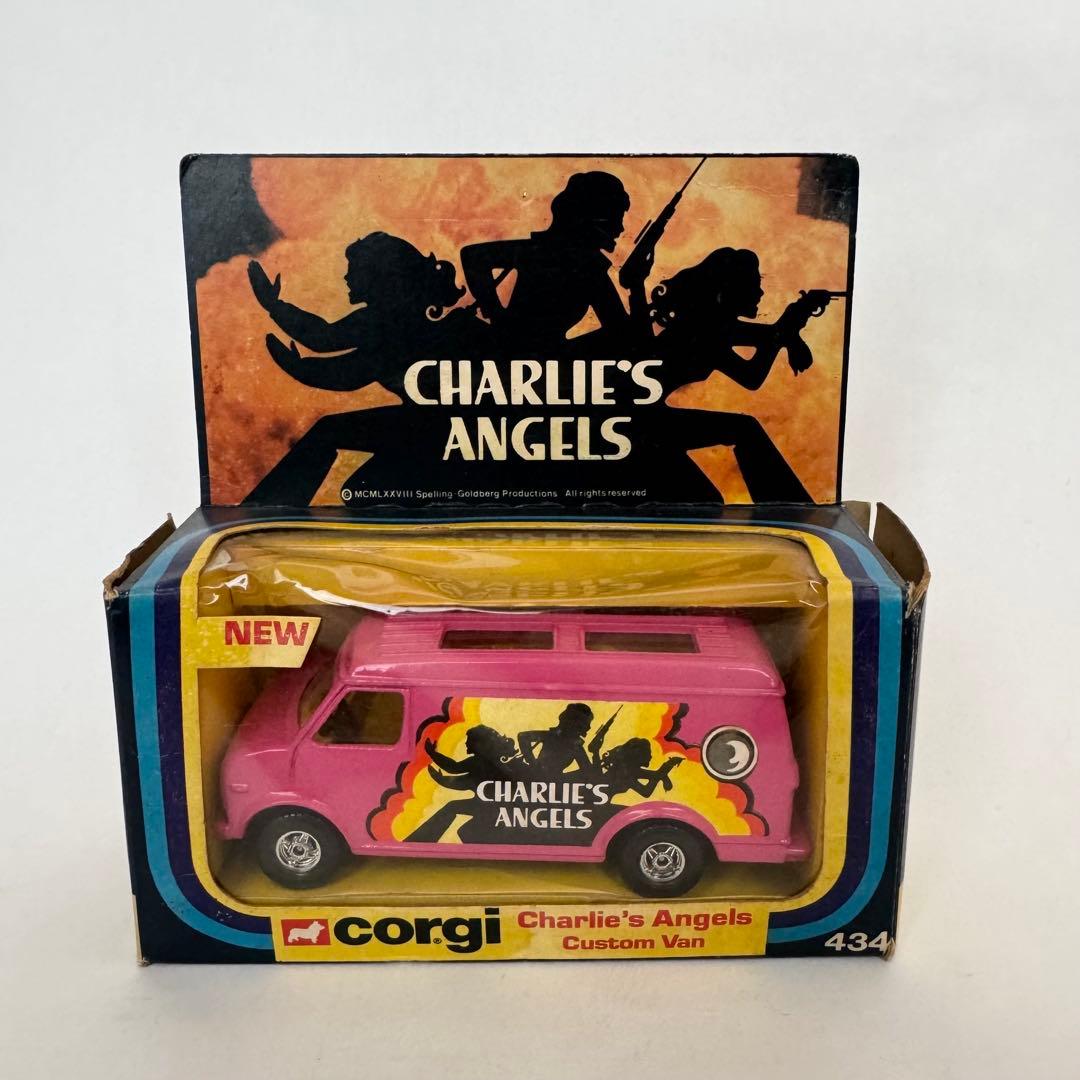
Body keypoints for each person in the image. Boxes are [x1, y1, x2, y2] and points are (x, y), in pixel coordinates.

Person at [244, 232, 486, 505]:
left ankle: (266, 509)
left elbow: (337, 360)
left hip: (441, 437)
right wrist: (276, 311)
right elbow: (325, 339)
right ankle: (267, 509)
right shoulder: (388, 318)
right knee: (361, 487)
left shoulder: (388, 324)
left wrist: (290, 346)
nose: (347, 277)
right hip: (435, 432)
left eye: (354, 269)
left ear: (378, 276)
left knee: (348, 465)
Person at [460, 171, 650, 357]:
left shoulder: (568, 258)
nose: (620, 229)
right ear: (591, 219)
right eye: (615, 219)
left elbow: (624, 335)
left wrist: (496, 315)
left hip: (538, 356)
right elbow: (629, 340)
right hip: (534, 357)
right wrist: (496, 315)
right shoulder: (584, 266)